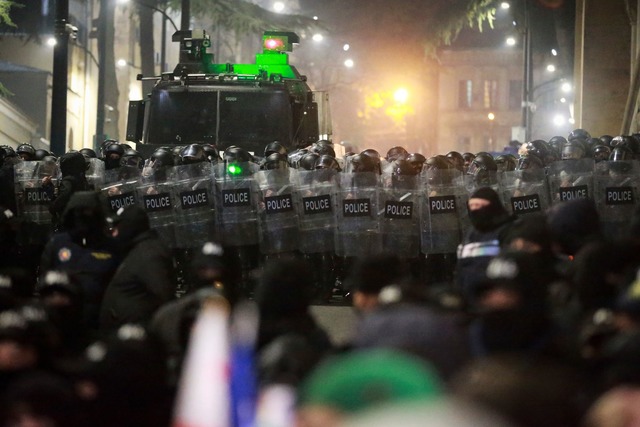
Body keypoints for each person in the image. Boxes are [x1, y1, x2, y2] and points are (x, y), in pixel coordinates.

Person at [40, 192, 119, 330]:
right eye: (79, 212)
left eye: (88, 211)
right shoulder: (58, 244)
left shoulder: (110, 246)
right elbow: (45, 280)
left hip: (101, 321)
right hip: (63, 322)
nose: (84, 216)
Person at [99, 205, 176, 332]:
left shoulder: (149, 254)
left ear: (130, 227)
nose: (115, 232)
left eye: (118, 226)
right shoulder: (139, 249)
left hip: (139, 333)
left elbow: (164, 295)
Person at [456, 187, 515, 303]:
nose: (474, 210)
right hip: (469, 299)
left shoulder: (508, 230)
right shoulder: (471, 233)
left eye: (478, 206)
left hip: (496, 300)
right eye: (471, 206)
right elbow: (462, 266)